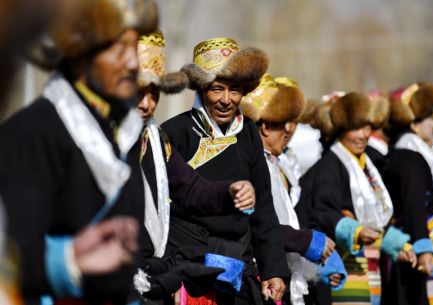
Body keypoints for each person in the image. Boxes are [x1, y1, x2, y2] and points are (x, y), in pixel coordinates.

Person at [0, 0, 161, 304]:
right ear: (78, 56)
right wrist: (67, 259)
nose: (132, 63)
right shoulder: (35, 131)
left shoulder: (125, 129)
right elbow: (12, 257)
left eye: (134, 47)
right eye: (116, 48)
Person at [161, 38, 290, 304]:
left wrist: (273, 269)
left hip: (239, 269)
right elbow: (163, 213)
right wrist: (169, 273)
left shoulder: (249, 135)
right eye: (217, 89)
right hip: (190, 272)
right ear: (201, 88)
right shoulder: (175, 132)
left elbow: (263, 207)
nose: (226, 100)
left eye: (235, 90)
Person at [133, 31, 256, 305]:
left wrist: (231, 192)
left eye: (153, 93)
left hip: (153, 274)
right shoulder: (98, 141)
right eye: (137, 91)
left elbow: (191, 190)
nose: (146, 103)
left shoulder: (155, 138)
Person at [299, 92, 415, 305]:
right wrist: (355, 231)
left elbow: (372, 216)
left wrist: (399, 246)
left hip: (369, 269)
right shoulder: (328, 168)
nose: (363, 135)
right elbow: (323, 213)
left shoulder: (366, 166)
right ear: (341, 129)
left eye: (367, 127)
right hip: (343, 268)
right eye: (355, 128)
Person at [240, 73, 346, 305]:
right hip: (260, 275)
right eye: (281, 125)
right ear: (265, 127)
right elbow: (259, 224)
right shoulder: (255, 166)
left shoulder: (278, 161)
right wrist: (306, 241)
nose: (289, 131)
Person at [382, 83, 433, 305]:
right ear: (413, 122)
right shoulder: (410, 157)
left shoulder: (414, 154)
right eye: (428, 117)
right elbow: (414, 204)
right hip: (425, 247)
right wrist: (423, 247)